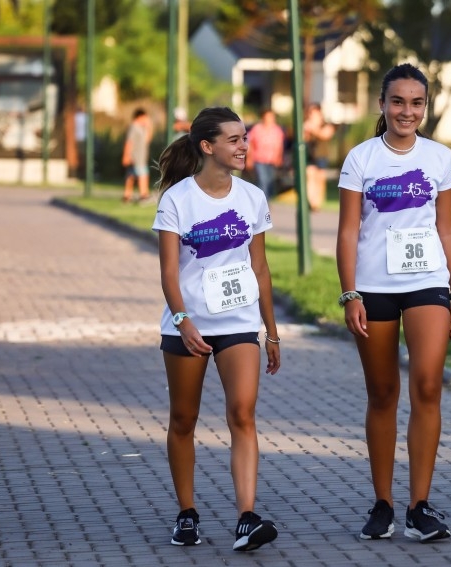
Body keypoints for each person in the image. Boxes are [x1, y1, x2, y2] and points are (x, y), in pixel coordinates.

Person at [335, 63, 451, 543]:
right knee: (383, 394)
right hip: (374, 287)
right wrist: (350, 292)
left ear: (424, 108)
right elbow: (348, 231)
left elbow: (448, 228)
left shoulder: (439, 157)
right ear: (382, 105)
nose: (406, 111)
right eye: (397, 101)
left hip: (428, 283)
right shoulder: (361, 158)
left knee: (428, 387)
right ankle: (383, 503)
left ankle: (420, 505)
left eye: (415, 103)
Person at [152, 106, 281, 552]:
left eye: (244, 138)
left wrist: (272, 330)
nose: (244, 146)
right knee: (183, 419)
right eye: (234, 140)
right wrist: (183, 320)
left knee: (242, 413)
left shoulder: (252, 198)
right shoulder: (177, 200)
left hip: (239, 323)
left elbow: (260, 268)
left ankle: (247, 516)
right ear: (207, 147)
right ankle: (187, 514)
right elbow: (169, 272)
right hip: (188, 325)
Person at [246, 108, 285, 198]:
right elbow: (251, 144)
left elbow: (280, 145)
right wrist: (249, 158)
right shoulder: (257, 129)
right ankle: (262, 201)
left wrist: (279, 157)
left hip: (272, 159)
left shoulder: (277, 130)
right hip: (259, 159)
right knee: (263, 179)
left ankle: (264, 198)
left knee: (269, 181)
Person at [303, 103, 335, 211]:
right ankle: (311, 202)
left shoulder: (326, 125)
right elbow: (303, 139)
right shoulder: (307, 125)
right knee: (310, 176)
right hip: (310, 155)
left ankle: (317, 202)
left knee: (320, 179)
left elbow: (325, 135)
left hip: (322, 155)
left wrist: (313, 128)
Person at [122, 107, 153, 203]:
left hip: (140, 156)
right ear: (140, 116)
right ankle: (144, 195)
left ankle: (127, 196)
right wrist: (126, 155)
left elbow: (147, 140)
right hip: (136, 156)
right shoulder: (134, 127)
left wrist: (149, 126)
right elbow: (129, 142)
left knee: (131, 175)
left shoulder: (141, 128)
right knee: (143, 174)